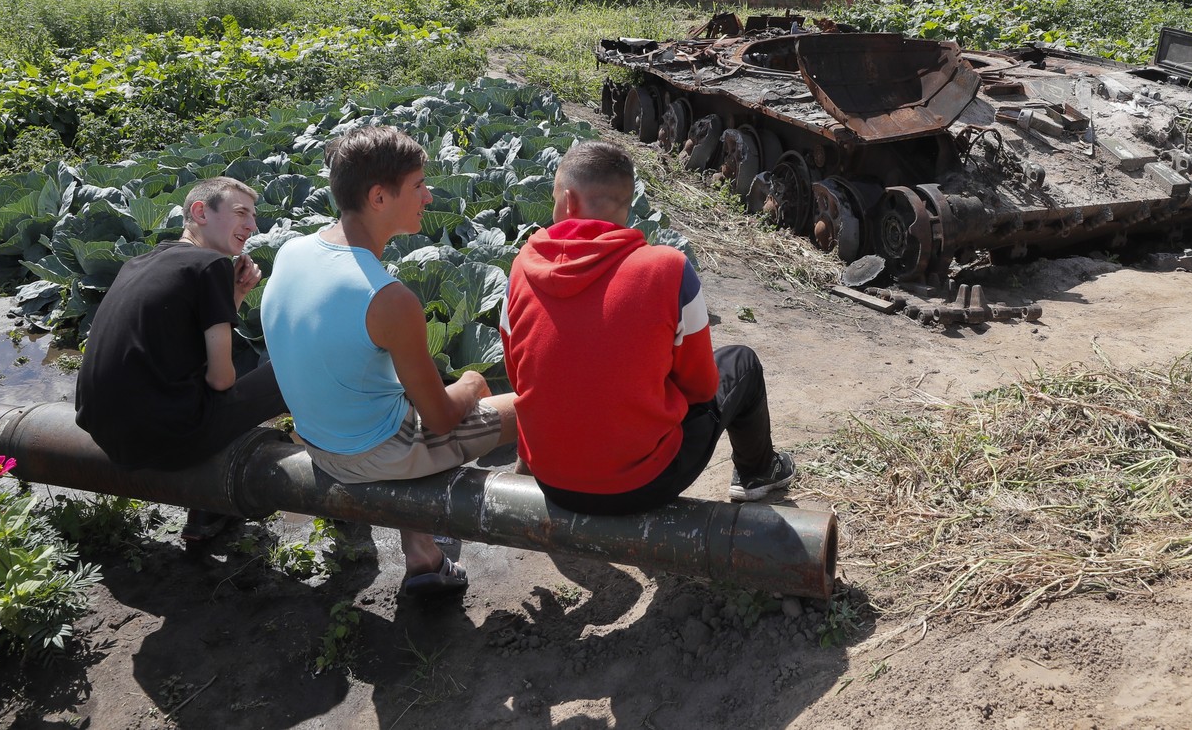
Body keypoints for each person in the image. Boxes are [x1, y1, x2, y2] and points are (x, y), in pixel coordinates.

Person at [260, 124, 518, 597]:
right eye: (419, 185)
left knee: (394, 394)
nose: (429, 195)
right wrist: (473, 384)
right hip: (367, 454)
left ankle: (422, 553)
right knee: (528, 406)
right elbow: (439, 420)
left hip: (315, 438)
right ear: (379, 197)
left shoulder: (293, 251)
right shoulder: (386, 297)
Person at [498, 139, 796, 516]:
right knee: (742, 363)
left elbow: (517, 373)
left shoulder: (521, 267)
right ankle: (758, 474)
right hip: (642, 485)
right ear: (628, 204)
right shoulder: (668, 268)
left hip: (551, 481)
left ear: (569, 202)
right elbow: (702, 387)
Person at [75, 176, 287, 543]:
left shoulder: (142, 261)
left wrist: (234, 294)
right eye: (241, 213)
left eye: (253, 216)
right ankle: (338, 480)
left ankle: (206, 512)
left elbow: (184, 346)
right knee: (291, 374)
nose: (252, 226)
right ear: (200, 212)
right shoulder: (210, 265)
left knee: (219, 398)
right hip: (165, 438)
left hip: (102, 429)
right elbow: (220, 380)